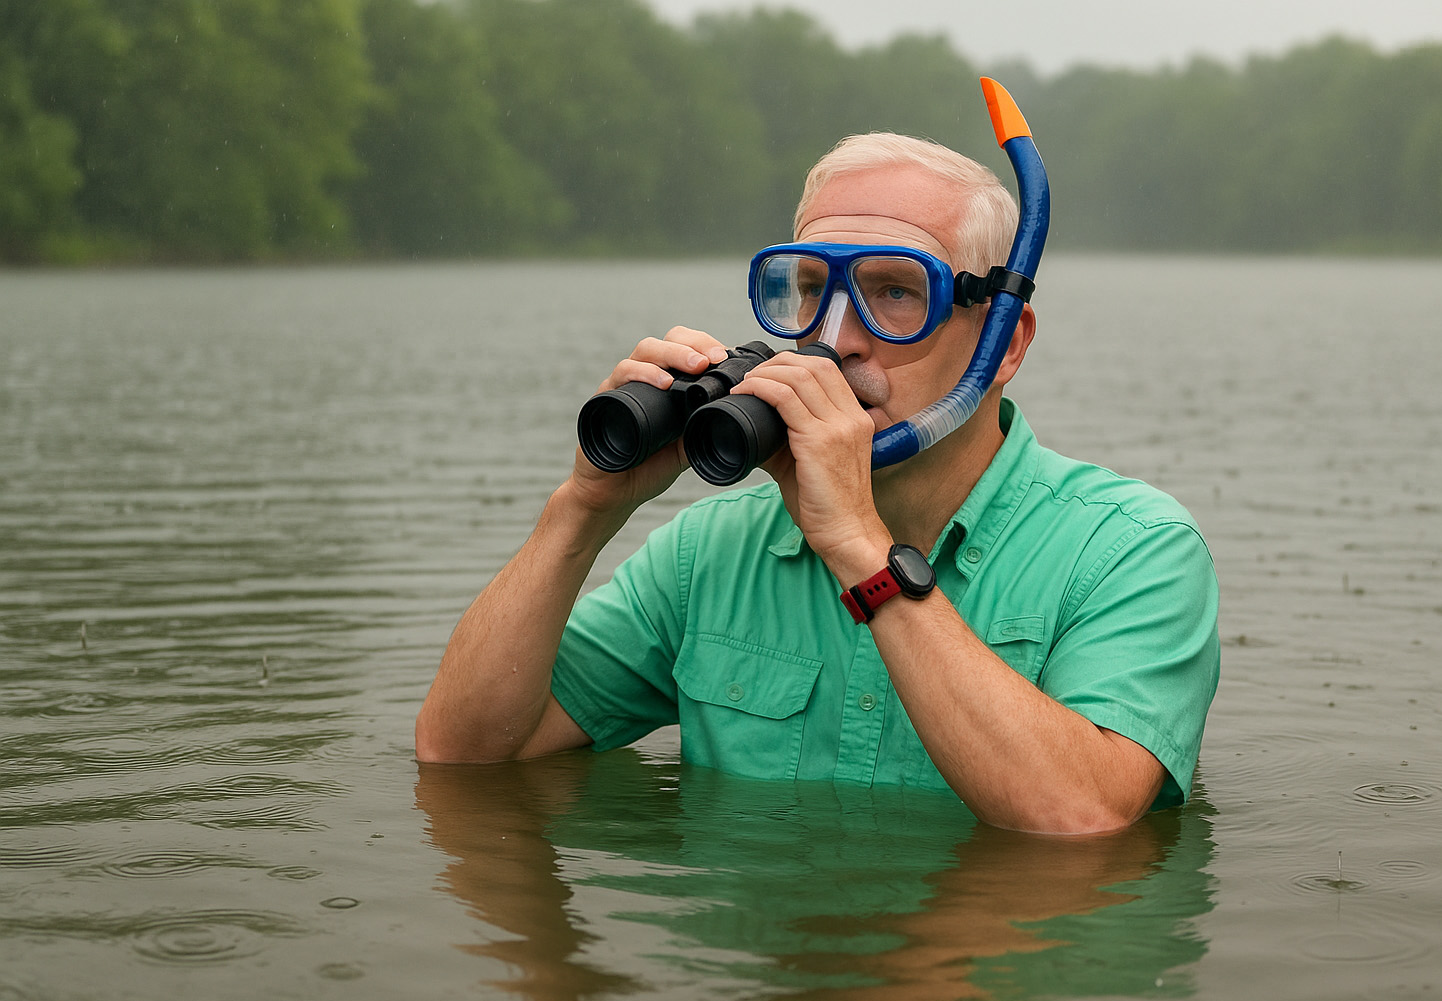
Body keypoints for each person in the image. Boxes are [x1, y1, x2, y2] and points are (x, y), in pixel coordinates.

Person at [416, 124, 1220, 835]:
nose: (835, 341)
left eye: (895, 292)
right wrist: (583, 510)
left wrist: (860, 549)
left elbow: (1081, 818)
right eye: (808, 292)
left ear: (1005, 345)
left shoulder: (1132, 550)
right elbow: (464, 756)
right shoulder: (711, 554)